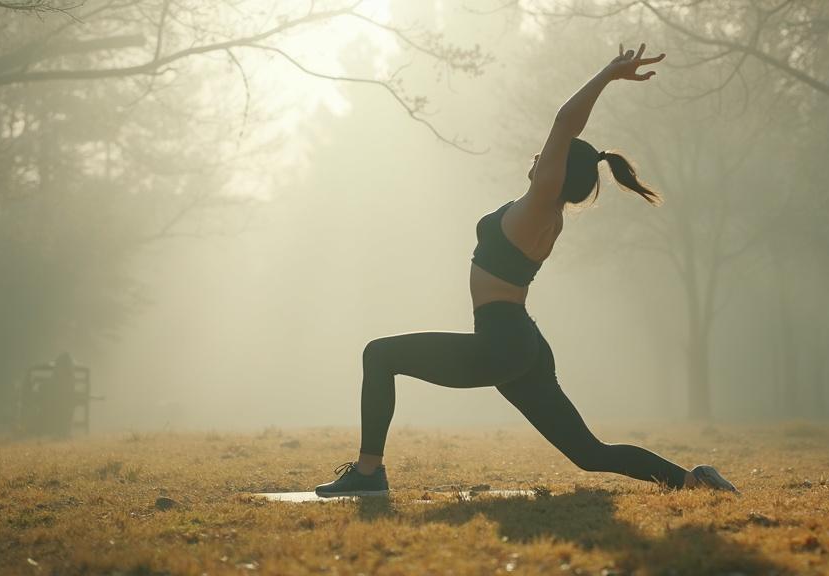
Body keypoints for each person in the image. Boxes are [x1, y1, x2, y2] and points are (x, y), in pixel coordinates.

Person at [315, 43, 738, 497]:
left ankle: (367, 473)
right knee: (591, 454)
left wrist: (606, 75)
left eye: (551, 156)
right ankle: (695, 482)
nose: (541, 154)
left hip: (501, 344)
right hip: (521, 343)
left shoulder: (540, 208)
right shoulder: (546, 215)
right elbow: (560, 137)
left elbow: (564, 123)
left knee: (380, 355)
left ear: (558, 174)